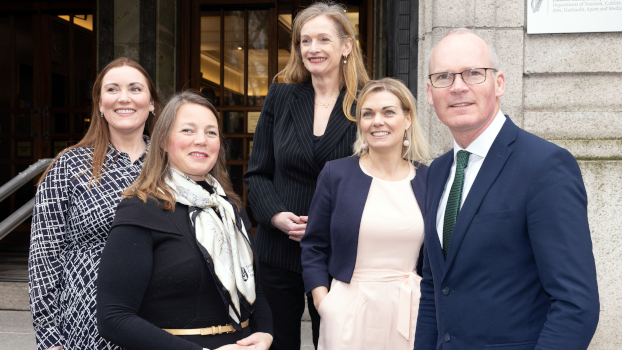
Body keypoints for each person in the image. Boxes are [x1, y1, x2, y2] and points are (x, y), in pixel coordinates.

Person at [414, 28, 600, 350]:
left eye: (473, 73)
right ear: (430, 93)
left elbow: (576, 305)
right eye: (444, 77)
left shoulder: (545, 167)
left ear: (499, 83)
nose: (458, 87)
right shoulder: (438, 172)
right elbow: (435, 287)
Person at [96, 91, 273, 350]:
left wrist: (266, 332)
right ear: (164, 142)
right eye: (188, 131)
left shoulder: (230, 207)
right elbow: (114, 318)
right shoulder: (140, 209)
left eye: (211, 133)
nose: (201, 140)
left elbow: (257, 287)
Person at [243, 2, 369, 349]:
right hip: (278, 249)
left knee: (334, 342)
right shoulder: (280, 96)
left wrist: (328, 223)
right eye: (304, 40)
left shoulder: (365, 103)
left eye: (323, 39)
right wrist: (277, 217)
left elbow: (375, 178)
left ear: (346, 46)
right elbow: (257, 174)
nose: (312, 48)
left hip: (339, 251)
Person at [28, 57, 161, 350]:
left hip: (159, 316)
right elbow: (44, 254)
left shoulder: (170, 166)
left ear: (151, 103)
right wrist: (49, 335)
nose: (124, 98)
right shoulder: (69, 165)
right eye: (112, 89)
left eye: (135, 89)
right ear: (100, 104)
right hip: (85, 317)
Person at [301, 77, 430, 350]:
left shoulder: (428, 179)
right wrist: (323, 302)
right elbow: (313, 245)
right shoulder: (336, 174)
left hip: (410, 310)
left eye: (388, 112)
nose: (377, 121)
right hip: (348, 310)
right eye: (368, 114)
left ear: (407, 119)